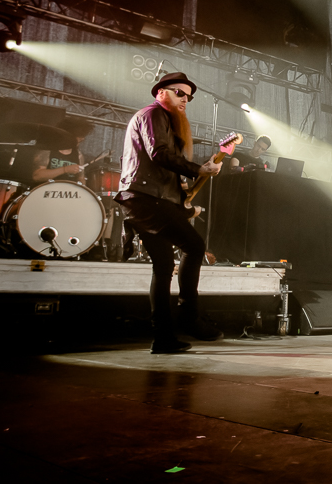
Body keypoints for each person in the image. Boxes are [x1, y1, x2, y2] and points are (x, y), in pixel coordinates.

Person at [115, 72, 223, 354]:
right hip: (146, 198)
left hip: (146, 199)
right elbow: (159, 153)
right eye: (179, 93)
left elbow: (162, 165)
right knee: (194, 246)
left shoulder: (164, 119)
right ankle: (188, 316)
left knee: (163, 266)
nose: (185, 99)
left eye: (189, 96)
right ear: (161, 92)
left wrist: (185, 190)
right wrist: (198, 169)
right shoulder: (154, 114)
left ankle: (163, 337)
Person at [30, 118, 94, 186]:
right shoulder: (47, 150)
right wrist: (65, 169)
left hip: (68, 191)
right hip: (47, 190)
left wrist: (82, 185)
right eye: (78, 138)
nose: (82, 139)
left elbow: (81, 178)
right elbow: (37, 176)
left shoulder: (79, 155)